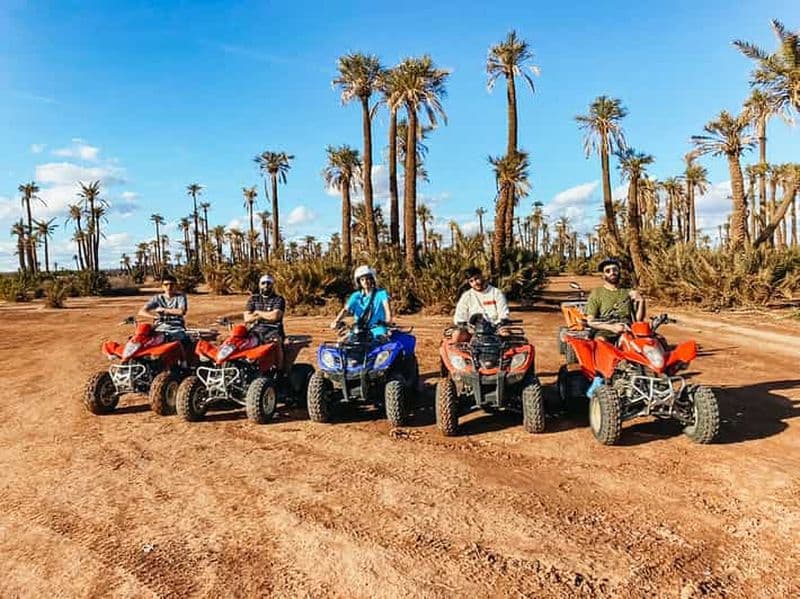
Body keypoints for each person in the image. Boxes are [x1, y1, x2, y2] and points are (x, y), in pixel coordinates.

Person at [585, 257, 646, 342]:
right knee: (601, 341)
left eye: (615, 270)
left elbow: (638, 320)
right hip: (606, 329)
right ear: (603, 275)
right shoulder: (597, 293)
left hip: (628, 329)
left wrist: (641, 301)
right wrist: (612, 327)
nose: (612, 273)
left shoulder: (628, 292)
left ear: (619, 272)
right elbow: (590, 321)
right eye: (608, 271)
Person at [330, 265, 392, 338]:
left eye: (368, 279)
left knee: (382, 339)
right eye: (362, 279)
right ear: (359, 282)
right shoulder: (355, 296)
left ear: (372, 279)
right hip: (359, 329)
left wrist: (388, 321)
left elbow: (387, 309)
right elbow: (346, 310)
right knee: (344, 341)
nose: (365, 281)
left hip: (377, 328)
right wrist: (336, 321)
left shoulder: (381, 293)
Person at [138, 273, 189, 345]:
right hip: (159, 326)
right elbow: (141, 311)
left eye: (172, 284)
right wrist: (155, 317)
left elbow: (181, 311)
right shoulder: (157, 298)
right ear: (162, 286)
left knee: (183, 342)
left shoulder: (180, 297)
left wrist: (164, 310)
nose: (169, 287)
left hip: (176, 327)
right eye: (166, 284)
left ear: (176, 286)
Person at [244, 274, 286, 341]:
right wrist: (267, 315)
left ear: (272, 285)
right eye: (263, 283)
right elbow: (247, 318)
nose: (266, 285)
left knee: (272, 343)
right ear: (259, 285)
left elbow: (275, 316)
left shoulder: (278, 299)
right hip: (255, 330)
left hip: (274, 330)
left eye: (268, 283)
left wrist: (258, 313)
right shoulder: (253, 298)